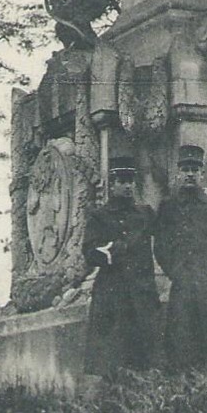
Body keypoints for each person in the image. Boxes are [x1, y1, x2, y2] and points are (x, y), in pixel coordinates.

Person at [154, 144, 207, 370]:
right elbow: (161, 245)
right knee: (183, 335)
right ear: (178, 173)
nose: (190, 174)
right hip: (184, 282)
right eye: (185, 169)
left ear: (202, 173)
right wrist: (176, 271)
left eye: (194, 169)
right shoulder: (169, 205)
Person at [82, 156, 160, 375]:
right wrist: (114, 251)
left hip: (141, 292)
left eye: (130, 181)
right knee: (112, 359)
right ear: (112, 184)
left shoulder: (145, 214)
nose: (127, 186)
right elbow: (90, 252)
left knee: (143, 357)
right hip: (112, 295)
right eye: (122, 181)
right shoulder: (99, 217)